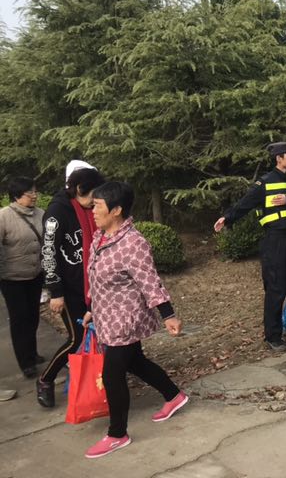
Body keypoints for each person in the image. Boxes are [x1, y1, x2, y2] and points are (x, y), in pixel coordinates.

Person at [82, 182, 186, 459]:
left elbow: (150, 282)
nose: (93, 211)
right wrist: (92, 308)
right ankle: (174, 396)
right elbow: (96, 276)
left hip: (126, 318)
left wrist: (168, 314)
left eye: (98, 206)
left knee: (112, 375)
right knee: (135, 362)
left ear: (116, 210)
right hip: (107, 315)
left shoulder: (133, 243)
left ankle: (117, 434)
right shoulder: (101, 237)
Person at [214, 142, 286, 351]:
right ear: (278, 158)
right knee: (276, 287)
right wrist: (227, 218)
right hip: (274, 239)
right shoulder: (265, 182)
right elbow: (245, 203)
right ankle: (273, 335)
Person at [38, 165, 105, 408]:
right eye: (92, 194)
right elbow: (48, 254)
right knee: (76, 339)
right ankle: (45, 380)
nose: (95, 201)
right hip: (69, 289)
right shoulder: (56, 213)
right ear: (78, 189)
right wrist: (55, 292)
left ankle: (97, 377)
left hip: (93, 285)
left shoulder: (90, 210)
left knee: (101, 334)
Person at [0, 177, 45, 378]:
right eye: (30, 193)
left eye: (35, 192)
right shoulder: (3, 217)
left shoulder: (41, 214)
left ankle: (32, 352)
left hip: (35, 275)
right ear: (17, 196)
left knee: (33, 316)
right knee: (20, 319)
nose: (34, 196)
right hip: (12, 279)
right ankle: (25, 362)